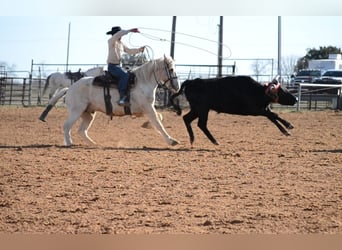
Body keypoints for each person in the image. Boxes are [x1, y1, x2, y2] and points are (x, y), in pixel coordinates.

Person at [106, 26, 145, 106]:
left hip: (119, 66)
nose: (120, 36)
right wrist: (130, 30)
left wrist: (139, 50)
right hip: (112, 66)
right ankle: (122, 97)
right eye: (119, 35)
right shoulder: (111, 41)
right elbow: (119, 34)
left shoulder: (121, 44)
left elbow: (129, 51)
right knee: (124, 75)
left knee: (131, 74)